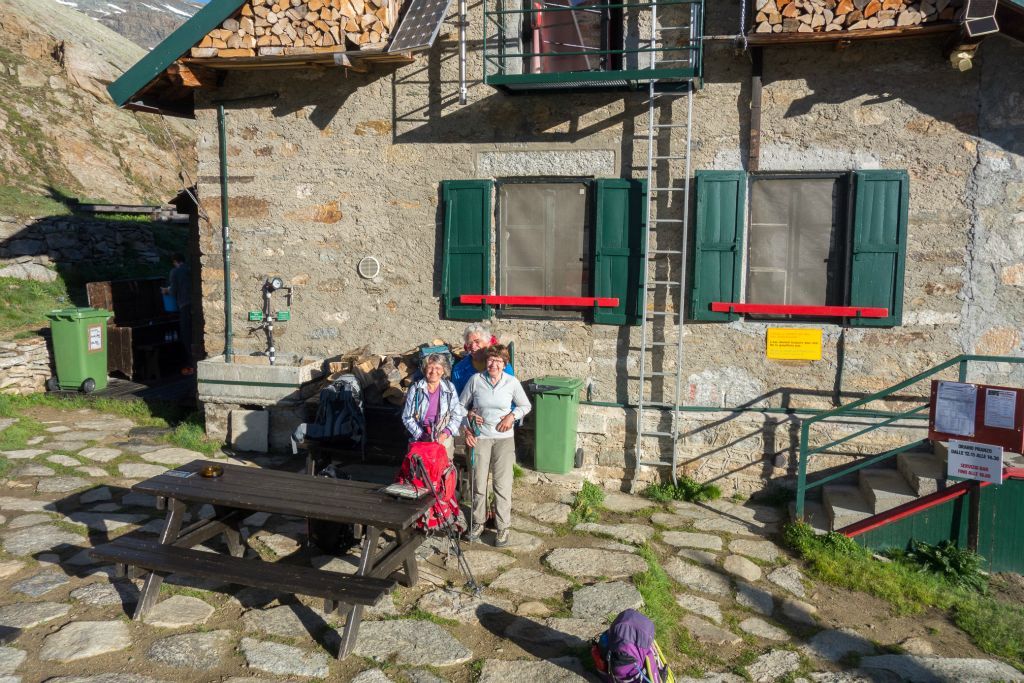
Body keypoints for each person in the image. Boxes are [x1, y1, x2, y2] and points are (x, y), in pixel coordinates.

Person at [460, 344, 531, 547]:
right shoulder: (476, 380)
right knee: (478, 482)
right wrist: (469, 419)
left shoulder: (511, 382)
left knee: (502, 484)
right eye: (491, 360)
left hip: (504, 439)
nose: (494, 364)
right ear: (486, 362)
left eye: (498, 361)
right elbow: (459, 405)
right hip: (480, 437)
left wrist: (512, 416)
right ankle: (478, 522)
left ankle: (502, 527)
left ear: (504, 364)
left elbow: (525, 405)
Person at [401, 352, 467, 460]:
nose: (433, 371)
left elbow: (457, 416)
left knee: (442, 470)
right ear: (424, 369)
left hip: (443, 436)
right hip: (420, 436)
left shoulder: (449, 388)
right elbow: (407, 417)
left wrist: (445, 434)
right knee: (421, 471)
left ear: (443, 371)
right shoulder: (416, 388)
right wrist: (422, 435)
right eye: (430, 367)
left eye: (438, 368)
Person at [451, 323, 512, 395]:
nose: (473, 346)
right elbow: (457, 399)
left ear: (488, 343)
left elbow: (511, 395)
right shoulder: (459, 369)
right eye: (469, 343)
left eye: (477, 342)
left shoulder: (502, 365)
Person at [161, 252, 193, 374]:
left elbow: (173, 291)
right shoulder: (190, 269)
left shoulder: (175, 272)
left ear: (175, 261)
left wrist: (165, 291)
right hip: (194, 305)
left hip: (184, 305)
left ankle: (190, 364)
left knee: (186, 335)